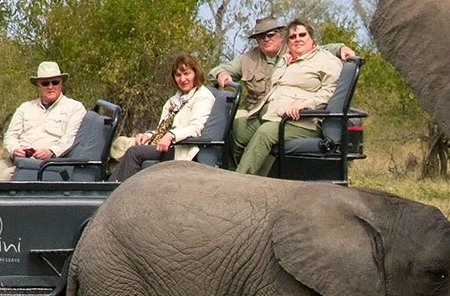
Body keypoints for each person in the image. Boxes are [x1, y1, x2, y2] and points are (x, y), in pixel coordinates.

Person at [231, 19, 342, 177]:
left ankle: (240, 182)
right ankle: (246, 175)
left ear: (311, 37)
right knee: (239, 129)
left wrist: (306, 104)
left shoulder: (326, 61)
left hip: (302, 121)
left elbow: (331, 91)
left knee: (265, 133)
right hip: (272, 114)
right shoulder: (285, 59)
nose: (297, 39)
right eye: (292, 37)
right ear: (287, 41)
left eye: (302, 35)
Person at [111, 54, 216, 182]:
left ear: (195, 73)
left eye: (186, 74)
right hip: (163, 145)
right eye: (178, 75)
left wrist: (171, 135)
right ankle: (107, 188)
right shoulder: (173, 100)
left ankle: (117, 192)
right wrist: (148, 136)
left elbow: (195, 129)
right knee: (125, 147)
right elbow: (161, 128)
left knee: (134, 153)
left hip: (181, 148)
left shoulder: (203, 96)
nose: (182, 79)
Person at [1, 61, 86, 182]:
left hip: (48, 166)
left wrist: (51, 152)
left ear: (61, 83)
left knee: (3, 178)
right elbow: (10, 135)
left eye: (55, 82)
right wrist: (15, 149)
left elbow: (69, 140)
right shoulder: (25, 107)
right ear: (38, 85)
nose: (51, 87)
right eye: (45, 83)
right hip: (19, 160)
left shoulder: (75, 108)